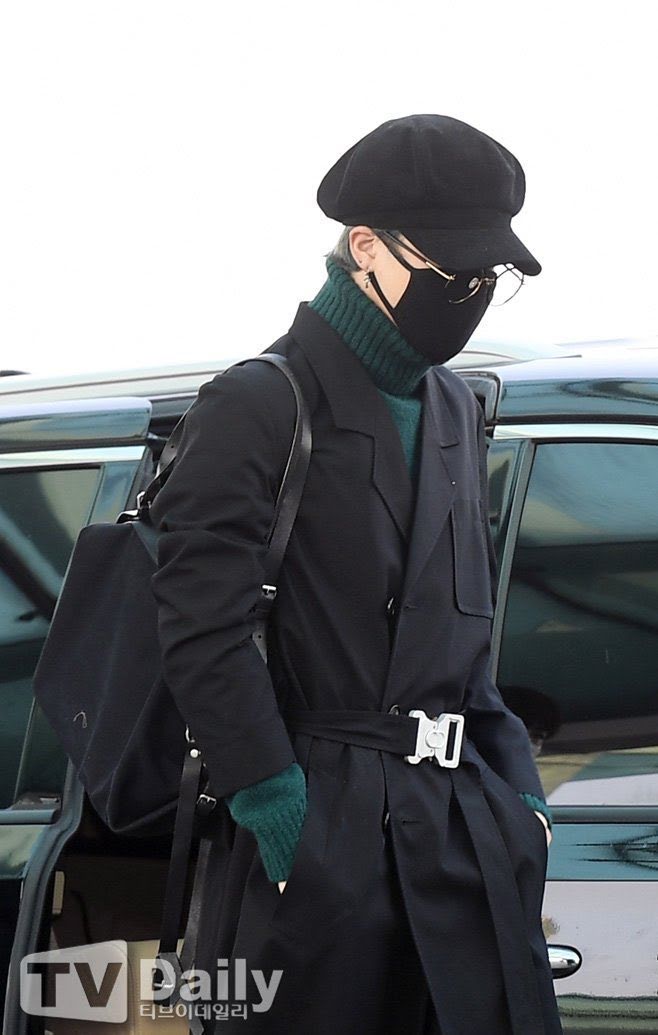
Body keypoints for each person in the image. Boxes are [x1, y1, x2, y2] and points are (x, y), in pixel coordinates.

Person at [148, 113, 564, 1034]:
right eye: (452, 272)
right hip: (320, 836)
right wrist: (281, 814)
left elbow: (466, 638)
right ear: (365, 246)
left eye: (489, 278)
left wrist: (522, 799)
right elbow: (201, 630)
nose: (471, 295)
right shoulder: (259, 401)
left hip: (460, 837)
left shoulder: (455, 406)